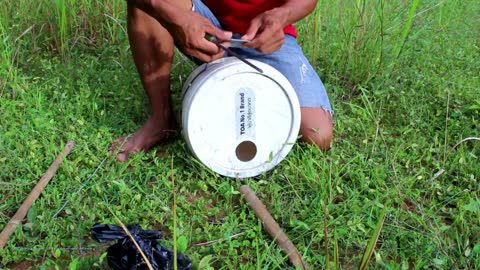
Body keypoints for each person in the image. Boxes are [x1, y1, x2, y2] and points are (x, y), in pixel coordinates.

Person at [109, 0, 333, 161]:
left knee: (317, 133)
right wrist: (174, 16)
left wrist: (280, 16)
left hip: (267, 35)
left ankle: (249, 83)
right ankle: (162, 119)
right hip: (203, 23)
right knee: (153, 5)